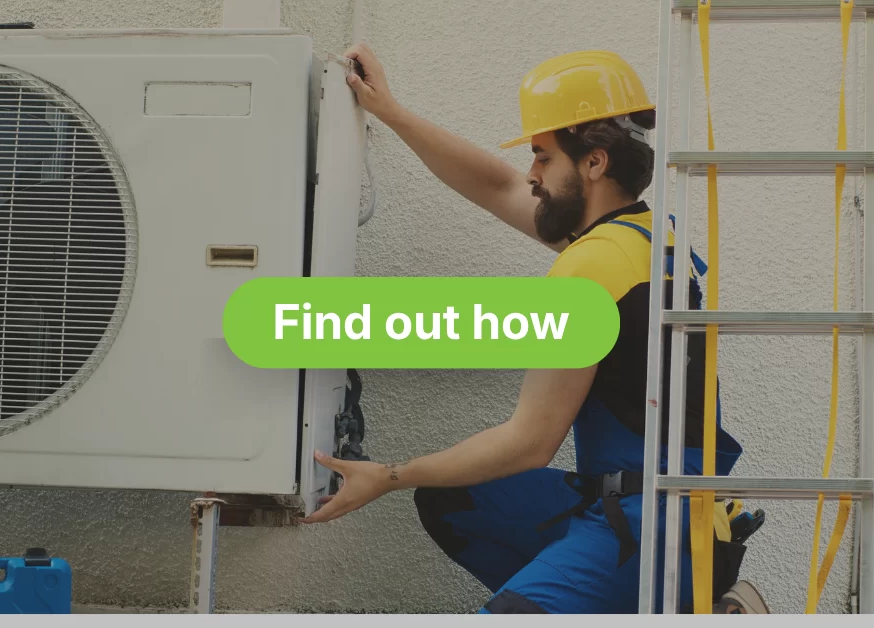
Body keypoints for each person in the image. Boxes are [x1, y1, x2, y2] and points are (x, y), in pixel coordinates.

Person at [300, 43, 769, 615]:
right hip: (682, 510)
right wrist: (392, 112)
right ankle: (626, 599)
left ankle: (644, 602)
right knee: (452, 498)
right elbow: (498, 186)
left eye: (544, 157)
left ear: (593, 162)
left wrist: (388, 476)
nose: (531, 173)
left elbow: (530, 442)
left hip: (649, 527)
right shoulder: (649, 237)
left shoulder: (589, 269)